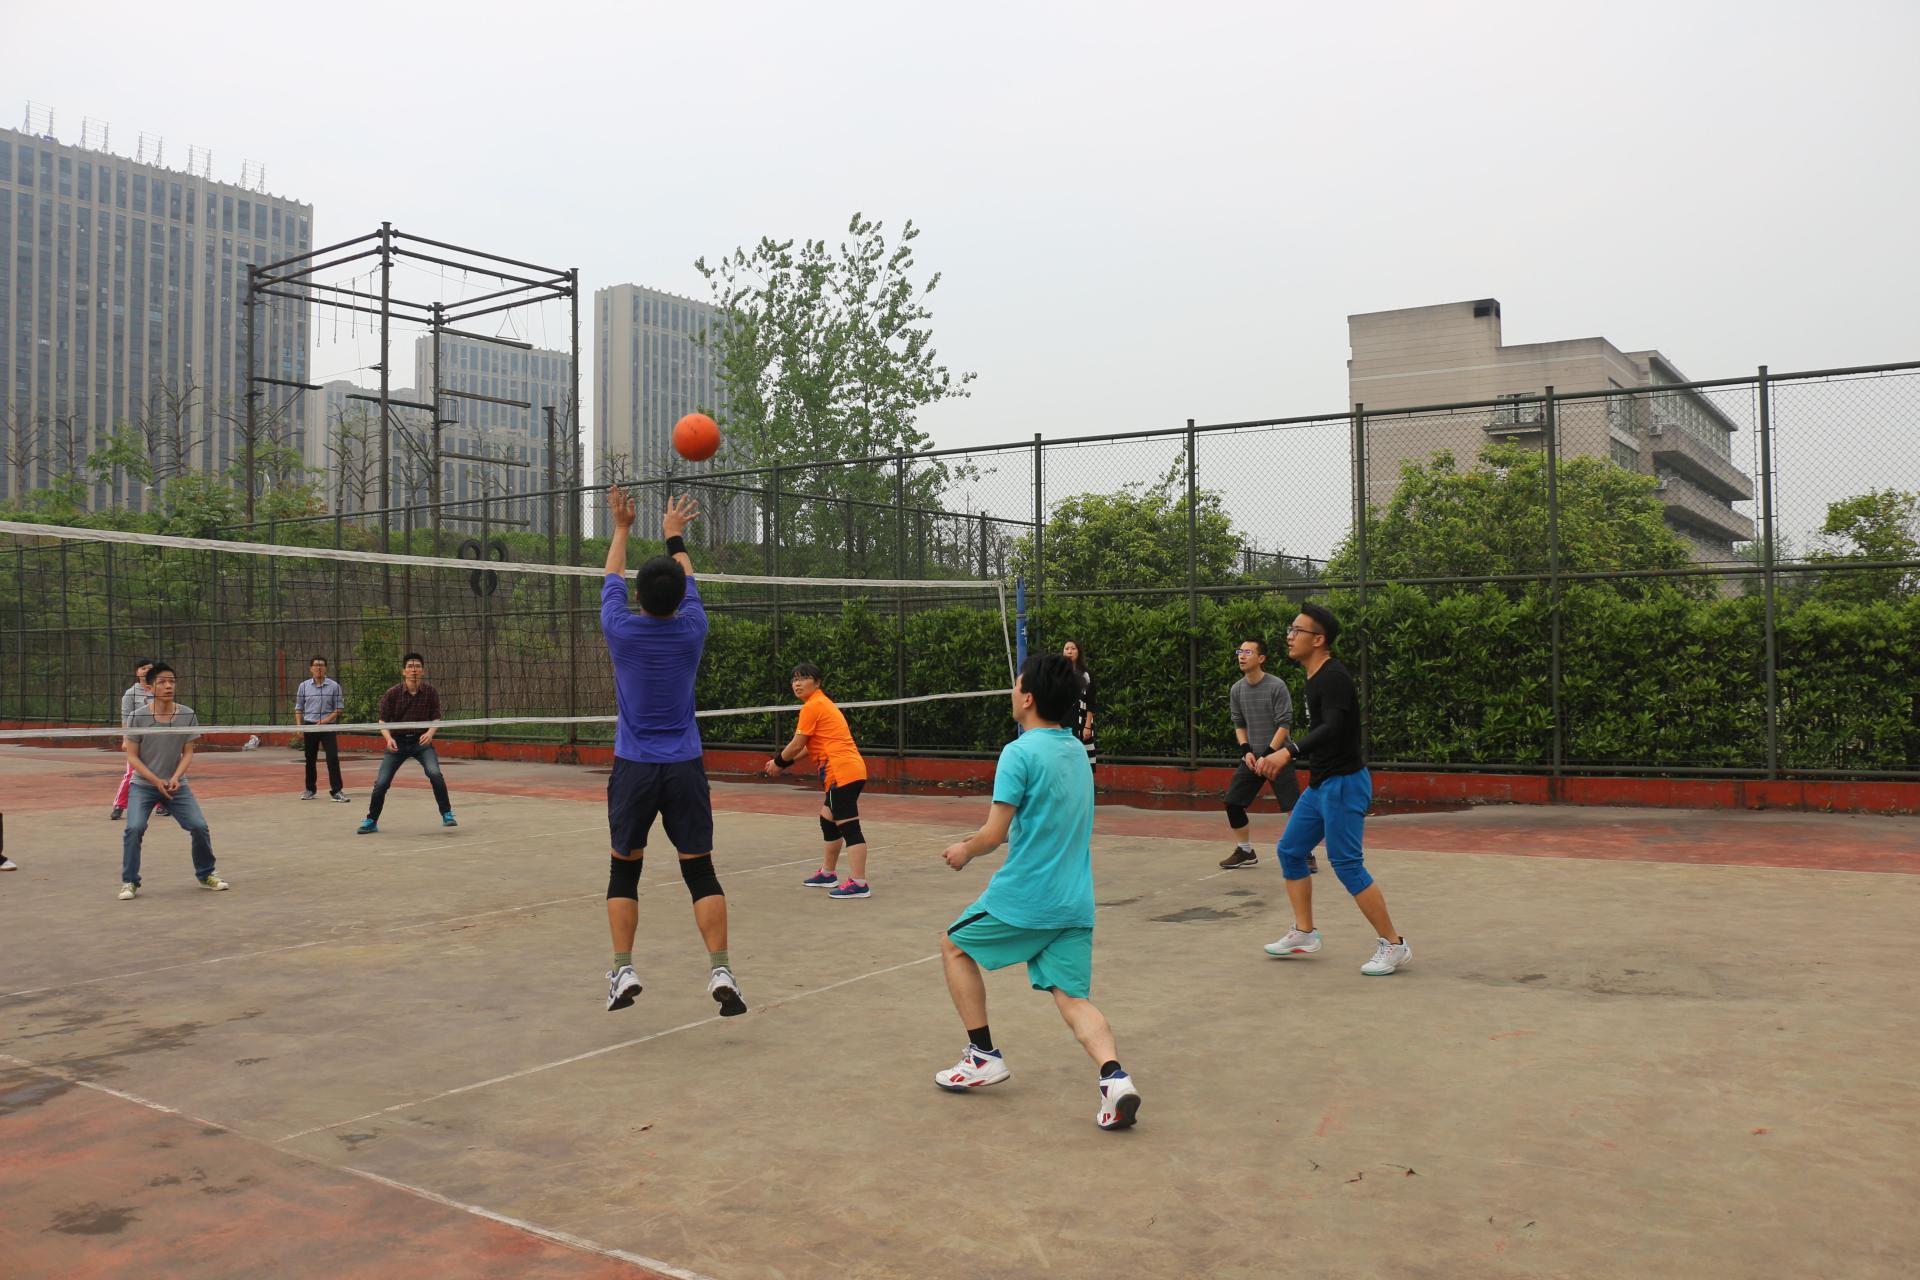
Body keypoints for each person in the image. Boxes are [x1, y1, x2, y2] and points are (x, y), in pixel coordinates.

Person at [934, 654, 1141, 1131]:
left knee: (953, 945)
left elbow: (993, 834)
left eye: (1015, 686)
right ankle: (1115, 1078)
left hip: (1026, 899)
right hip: (1075, 903)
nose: (1011, 692)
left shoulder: (1019, 753)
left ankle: (983, 1056)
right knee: (1072, 998)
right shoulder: (1076, 752)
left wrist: (965, 849)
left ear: (1027, 698)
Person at [599, 485, 744, 1018]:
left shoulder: (619, 628)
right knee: (700, 870)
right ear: (682, 597)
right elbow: (685, 577)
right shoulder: (693, 628)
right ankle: (721, 968)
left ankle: (623, 968)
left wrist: (622, 526)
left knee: (624, 870)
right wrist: (673, 534)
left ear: (638, 596)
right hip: (684, 766)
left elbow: (611, 576)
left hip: (635, 768)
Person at [1255, 604, 1412, 976]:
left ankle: (1394, 945)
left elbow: (1334, 727)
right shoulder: (1314, 676)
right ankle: (1304, 933)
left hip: (1344, 784)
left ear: (1318, 639)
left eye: (1297, 630)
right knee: (1291, 851)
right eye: (1290, 629)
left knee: (1347, 864)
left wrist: (1288, 751)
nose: (1289, 636)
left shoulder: (1333, 677)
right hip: (1322, 784)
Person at [119, 662, 228, 899]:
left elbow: (188, 752)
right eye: (162, 682)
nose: (168, 686)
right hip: (144, 785)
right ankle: (130, 881)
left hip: (176, 784)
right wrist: (155, 780)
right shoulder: (137, 717)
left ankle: (206, 874)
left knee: (199, 826)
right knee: (134, 828)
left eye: (172, 681)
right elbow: (132, 757)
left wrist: (176, 777)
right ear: (150, 687)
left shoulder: (187, 714)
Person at [766, 662, 873, 898]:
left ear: (817, 682)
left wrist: (779, 762)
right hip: (847, 771)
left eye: (803, 678)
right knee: (828, 819)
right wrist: (786, 763)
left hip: (841, 772)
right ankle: (828, 873)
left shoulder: (813, 706)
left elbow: (797, 744)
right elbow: (808, 746)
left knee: (849, 827)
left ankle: (859, 882)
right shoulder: (821, 704)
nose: (797, 684)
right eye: (794, 679)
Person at [1218, 638, 1311, 873]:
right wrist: (1246, 751)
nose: (1241, 655)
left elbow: (1284, 725)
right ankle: (1245, 851)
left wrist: (1269, 754)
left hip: (1279, 757)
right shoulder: (1237, 689)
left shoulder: (1276, 686)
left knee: (1294, 808)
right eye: (1239, 651)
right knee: (1233, 803)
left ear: (1261, 658)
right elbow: (1239, 724)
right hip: (1252, 759)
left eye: (1248, 652)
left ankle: (1305, 852)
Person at [356, 654, 454, 833]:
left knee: (435, 773)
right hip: (397, 742)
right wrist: (389, 739)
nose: (413, 669)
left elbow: (436, 718)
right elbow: (382, 721)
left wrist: (430, 733)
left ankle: (447, 813)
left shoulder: (430, 692)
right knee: (382, 783)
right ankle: (371, 820)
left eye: (417, 666)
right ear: (404, 671)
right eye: (410, 666)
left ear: (422, 671)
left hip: (421, 741)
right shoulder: (392, 693)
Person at [294, 655, 349, 802]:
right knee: (310, 759)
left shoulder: (334, 686)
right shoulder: (303, 686)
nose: (319, 667)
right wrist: (299, 726)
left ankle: (337, 791)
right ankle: (310, 790)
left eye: (321, 665)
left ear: (325, 668)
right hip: (309, 726)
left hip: (327, 726)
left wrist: (324, 721)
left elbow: (339, 709)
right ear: (311, 668)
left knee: (332, 758)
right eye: (316, 665)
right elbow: (298, 708)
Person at [108, 658, 154, 820]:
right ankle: (119, 805)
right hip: (137, 739)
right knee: (131, 774)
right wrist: (125, 739)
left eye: (150, 668)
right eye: (143, 668)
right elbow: (126, 717)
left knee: (161, 771)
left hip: (156, 738)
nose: (147, 671)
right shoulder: (130, 693)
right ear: (137, 672)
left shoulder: (159, 690)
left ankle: (161, 805)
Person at [1061, 639, 1097, 773]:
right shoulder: (1059, 674)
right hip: (1063, 722)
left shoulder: (1086, 675)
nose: (1069, 651)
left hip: (1082, 722)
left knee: (1084, 760)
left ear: (1078, 652)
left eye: (1073, 648)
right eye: (1066, 649)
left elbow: (1091, 701)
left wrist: (1088, 726)